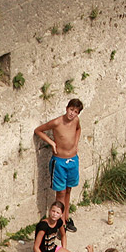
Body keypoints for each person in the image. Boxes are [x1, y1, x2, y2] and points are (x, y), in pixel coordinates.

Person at [34, 98, 83, 231]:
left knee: (68, 190)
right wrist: (52, 143)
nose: (72, 114)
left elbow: (78, 129)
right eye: (71, 110)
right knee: (60, 193)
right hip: (59, 161)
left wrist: (76, 143)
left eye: (76, 112)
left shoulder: (76, 121)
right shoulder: (57, 122)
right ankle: (59, 224)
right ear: (67, 108)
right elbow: (38, 130)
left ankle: (66, 217)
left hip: (73, 160)